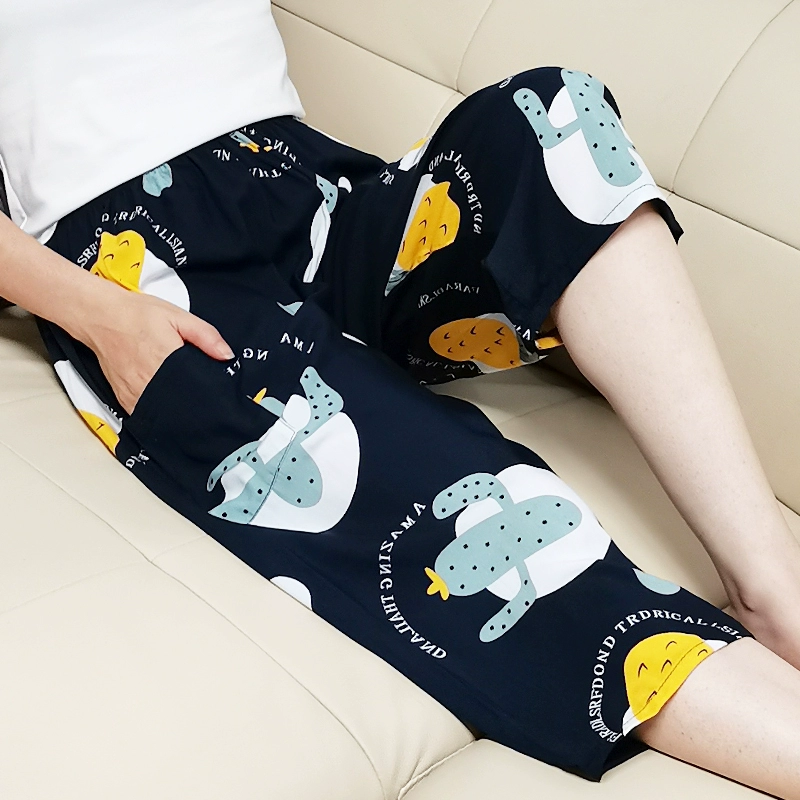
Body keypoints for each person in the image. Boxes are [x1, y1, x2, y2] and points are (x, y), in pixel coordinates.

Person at [2, 1, 800, 795]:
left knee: (554, 116)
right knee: (451, 503)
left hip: (308, 185)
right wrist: (101, 317)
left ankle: (773, 583)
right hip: (139, 272)